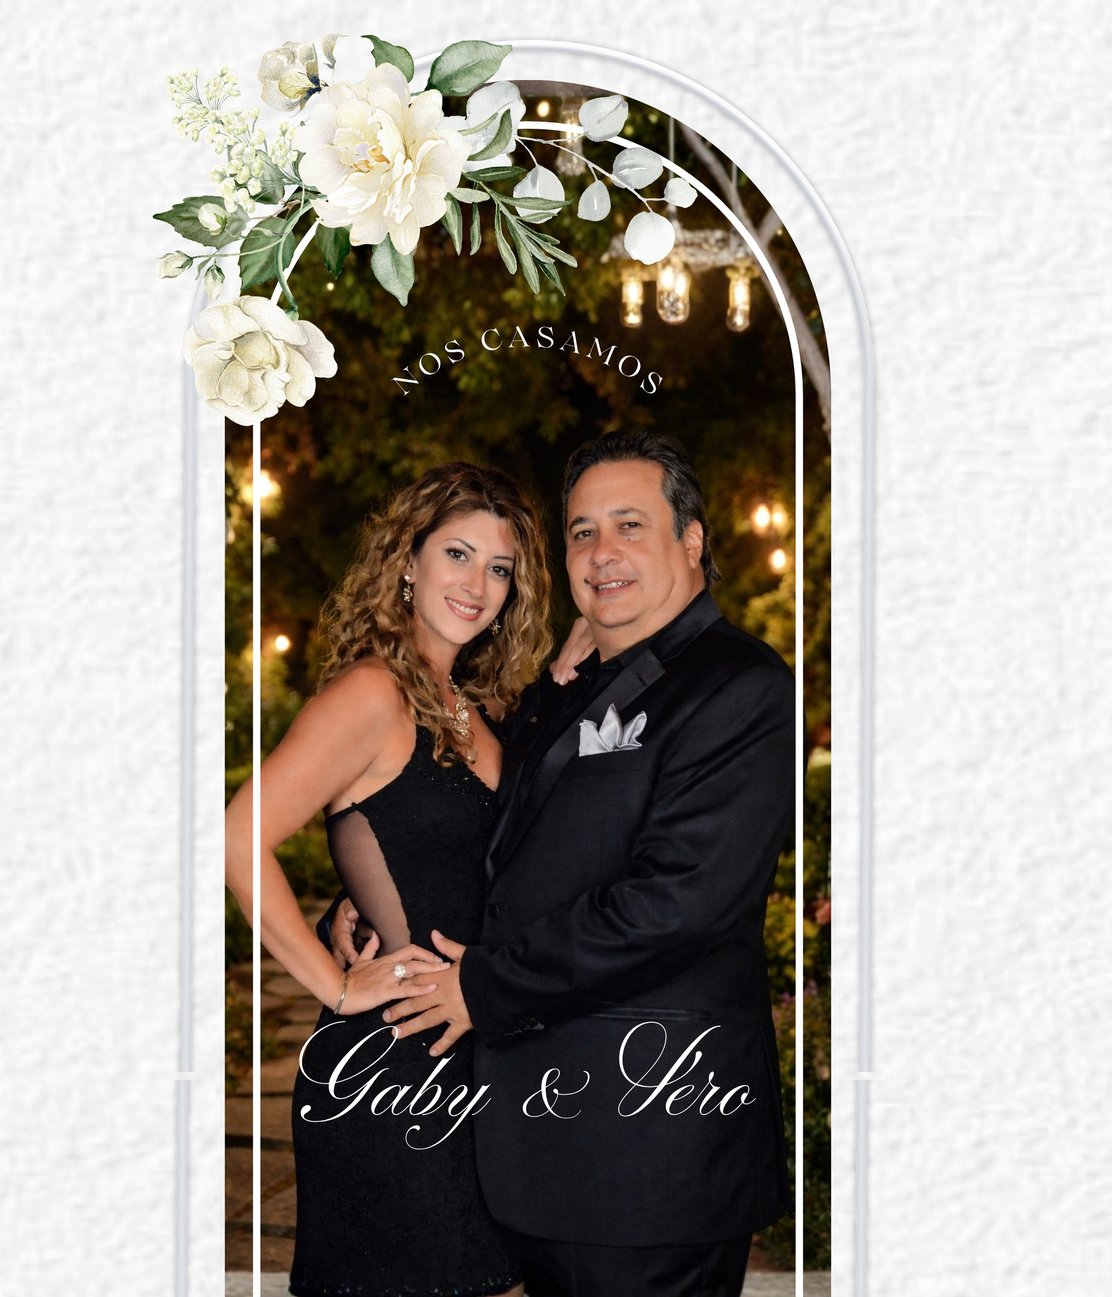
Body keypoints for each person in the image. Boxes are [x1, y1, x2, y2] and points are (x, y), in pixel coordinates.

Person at [336, 433, 797, 1297]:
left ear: (693, 541)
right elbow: (493, 836)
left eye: (630, 523)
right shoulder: (571, 685)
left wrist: (482, 987)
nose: (601, 551)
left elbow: (673, 904)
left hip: (650, 1158)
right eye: (582, 531)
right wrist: (370, 889)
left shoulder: (740, 687)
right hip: (534, 1153)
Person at [224, 462, 556, 1297]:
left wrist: (356, 898)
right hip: (392, 1071)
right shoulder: (373, 691)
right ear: (407, 561)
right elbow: (235, 840)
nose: (477, 583)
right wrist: (335, 986)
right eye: (456, 553)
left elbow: (438, 852)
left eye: (500, 567)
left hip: (477, 1059)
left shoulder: (470, 703)